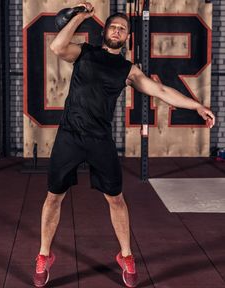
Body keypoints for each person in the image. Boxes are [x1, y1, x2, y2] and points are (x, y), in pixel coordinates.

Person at [33, 2, 215, 288]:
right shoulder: (84, 52)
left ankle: (126, 255)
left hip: (100, 140)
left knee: (116, 199)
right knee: (54, 196)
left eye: (122, 29)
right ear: (105, 30)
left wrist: (197, 106)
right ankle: (44, 254)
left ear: (127, 38)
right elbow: (57, 47)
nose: (117, 30)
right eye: (113, 26)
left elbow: (162, 91)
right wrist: (81, 15)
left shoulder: (128, 70)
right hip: (69, 135)